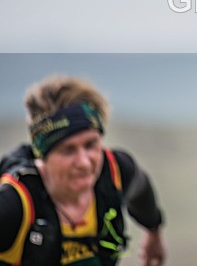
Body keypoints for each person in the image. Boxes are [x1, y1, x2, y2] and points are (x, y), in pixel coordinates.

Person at [0, 75, 166, 266]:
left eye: (91, 145)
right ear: (42, 156)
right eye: (68, 150)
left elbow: (141, 189)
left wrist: (154, 233)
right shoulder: (13, 204)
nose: (84, 162)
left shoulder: (115, 172)